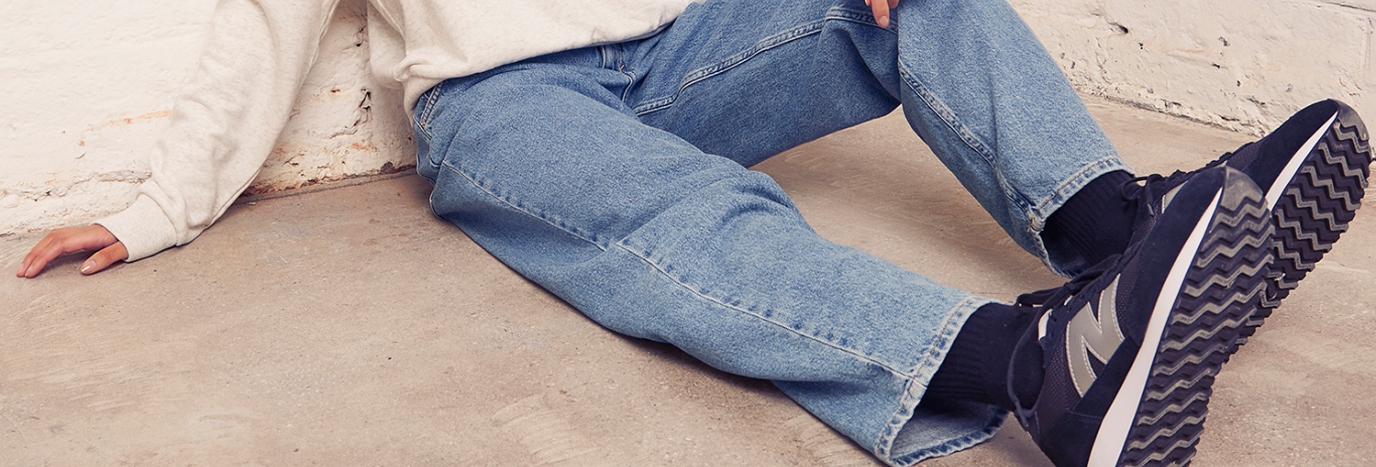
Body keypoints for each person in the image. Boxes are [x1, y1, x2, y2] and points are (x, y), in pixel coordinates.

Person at [14, 0, 1371, 465]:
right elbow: (262, 26)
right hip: (503, 104)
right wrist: (152, 210)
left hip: (679, 50)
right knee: (689, 220)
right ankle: (1037, 371)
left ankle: (1135, 241)